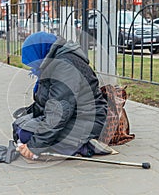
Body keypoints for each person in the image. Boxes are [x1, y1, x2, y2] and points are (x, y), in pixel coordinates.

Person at [12, 32, 108, 160]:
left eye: (32, 63)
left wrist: (34, 146)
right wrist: (27, 115)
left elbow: (59, 111)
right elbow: (47, 102)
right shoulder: (52, 63)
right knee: (19, 125)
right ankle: (69, 143)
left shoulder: (64, 67)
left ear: (41, 52)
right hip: (74, 115)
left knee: (26, 133)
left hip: (88, 120)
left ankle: (82, 146)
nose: (32, 68)